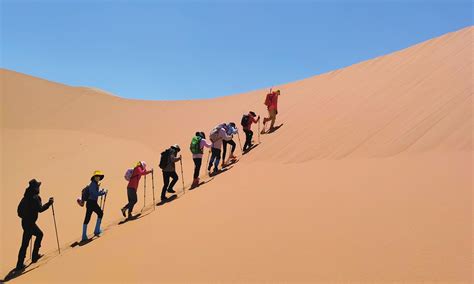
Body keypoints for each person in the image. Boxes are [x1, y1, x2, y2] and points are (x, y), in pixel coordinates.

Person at [15, 179, 54, 271]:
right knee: (39, 235)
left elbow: (19, 211)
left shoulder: (25, 197)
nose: (39, 188)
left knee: (25, 242)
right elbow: (40, 209)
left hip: (24, 222)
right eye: (38, 186)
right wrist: (49, 203)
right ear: (35, 188)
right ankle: (34, 256)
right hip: (30, 223)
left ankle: (20, 264)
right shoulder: (35, 197)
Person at [82, 171, 107, 242]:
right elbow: (94, 194)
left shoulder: (94, 184)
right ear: (94, 177)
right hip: (92, 203)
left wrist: (101, 191)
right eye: (96, 176)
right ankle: (97, 230)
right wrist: (102, 193)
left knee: (88, 217)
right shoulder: (93, 184)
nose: (98, 177)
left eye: (99, 176)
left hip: (90, 203)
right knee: (100, 213)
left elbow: (95, 193)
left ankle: (84, 235)